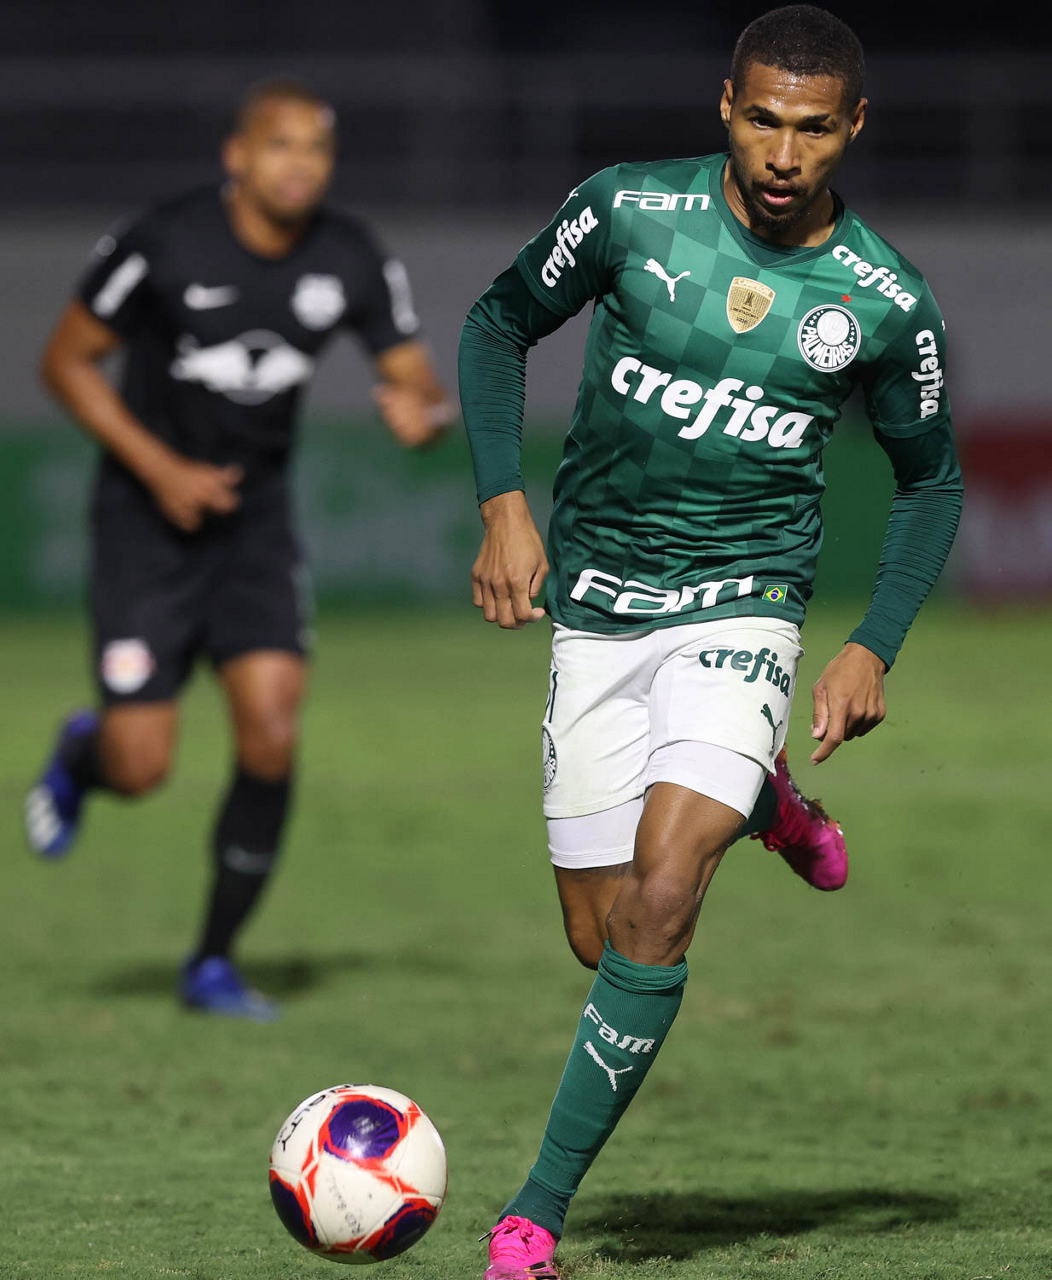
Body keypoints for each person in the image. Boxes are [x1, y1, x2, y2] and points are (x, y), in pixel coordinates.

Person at [458, 6, 963, 1275]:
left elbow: (930, 481)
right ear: (724, 106)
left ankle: (533, 1214)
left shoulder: (882, 301)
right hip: (596, 610)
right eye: (763, 121)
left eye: (813, 129)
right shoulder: (628, 214)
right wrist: (503, 503)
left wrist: (872, 642)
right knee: (601, 935)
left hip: (743, 603)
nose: (784, 155)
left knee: (665, 894)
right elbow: (494, 323)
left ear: (852, 126)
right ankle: (764, 801)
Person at [24, 77, 454, 1020]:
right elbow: (64, 360)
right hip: (145, 524)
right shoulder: (164, 238)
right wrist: (160, 468)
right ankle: (86, 755)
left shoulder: (349, 255)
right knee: (143, 766)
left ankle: (213, 963)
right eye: (280, 145)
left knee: (271, 728)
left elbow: (416, 381)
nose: (300, 165)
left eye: (317, 149)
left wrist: (421, 416)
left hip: (255, 528)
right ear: (238, 156)